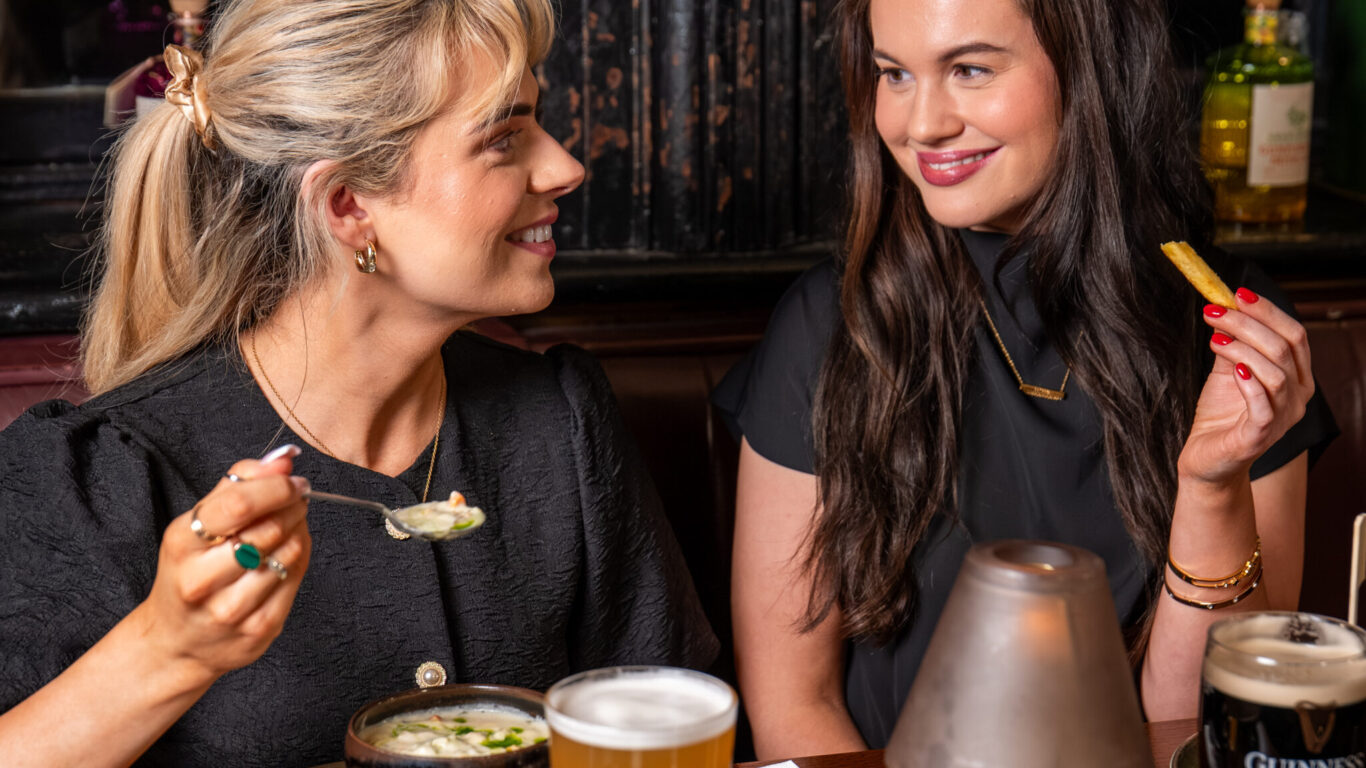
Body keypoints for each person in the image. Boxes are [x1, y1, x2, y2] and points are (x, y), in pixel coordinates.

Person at [0, 1, 718, 765]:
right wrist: (169, 650)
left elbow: (663, 708)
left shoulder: (562, 421)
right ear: (348, 206)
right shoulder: (99, 474)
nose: (566, 166)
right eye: (504, 139)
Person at [714, 0, 1338, 758]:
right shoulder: (831, 323)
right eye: (894, 75)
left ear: (1092, 73)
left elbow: (1195, 733)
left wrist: (1211, 488)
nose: (921, 124)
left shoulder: (1232, 334)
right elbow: (792, 706)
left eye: (970, 69)